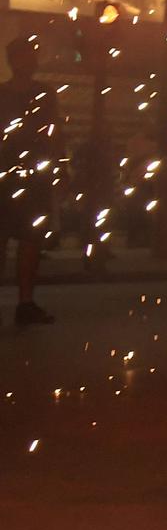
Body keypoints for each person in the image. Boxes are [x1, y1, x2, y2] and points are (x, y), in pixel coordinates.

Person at [1, 37, 63, 325]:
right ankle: (24, 303)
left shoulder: (44, 94)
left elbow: (54, 133)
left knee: (30, 240)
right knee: (19, 239)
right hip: (10, 176)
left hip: (31, 176)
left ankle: (26, 302)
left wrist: (57, 167)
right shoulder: (36, 94)